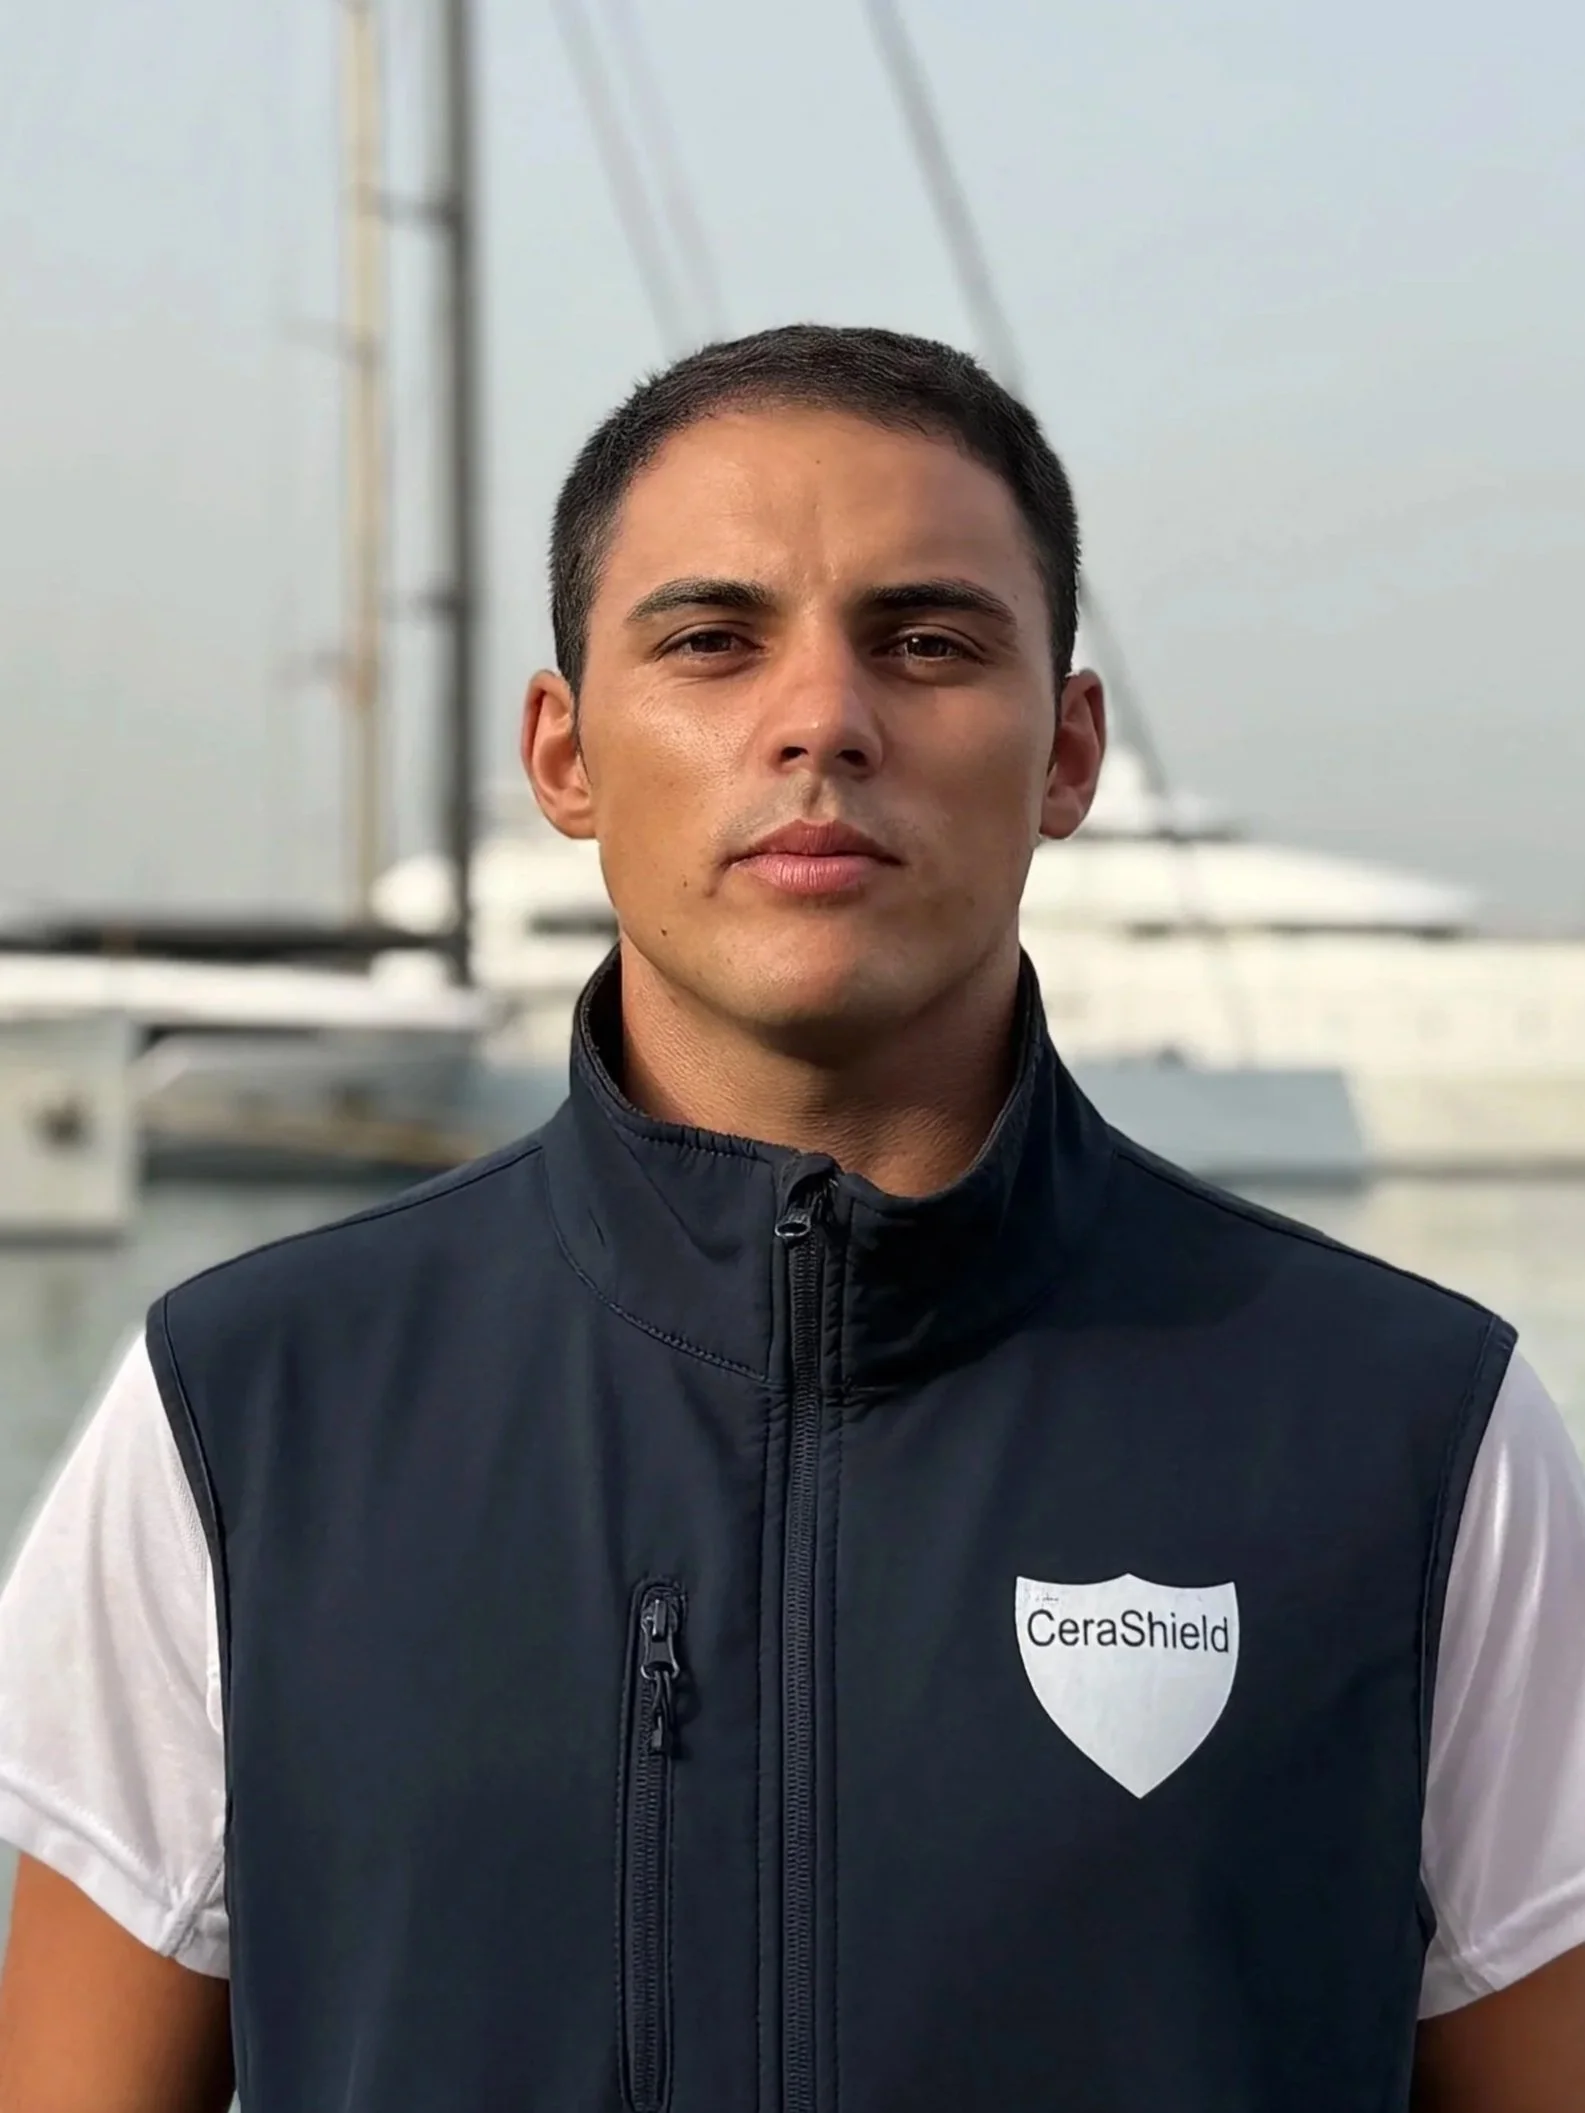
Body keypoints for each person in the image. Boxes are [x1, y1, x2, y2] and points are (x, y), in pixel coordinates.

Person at [1, 324, 1583, 2113]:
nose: (822, 717)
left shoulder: (1417, 1440)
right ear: (566, 754)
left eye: (927, 642)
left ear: (1068, 756)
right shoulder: (246, 1414)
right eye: (709, 639)